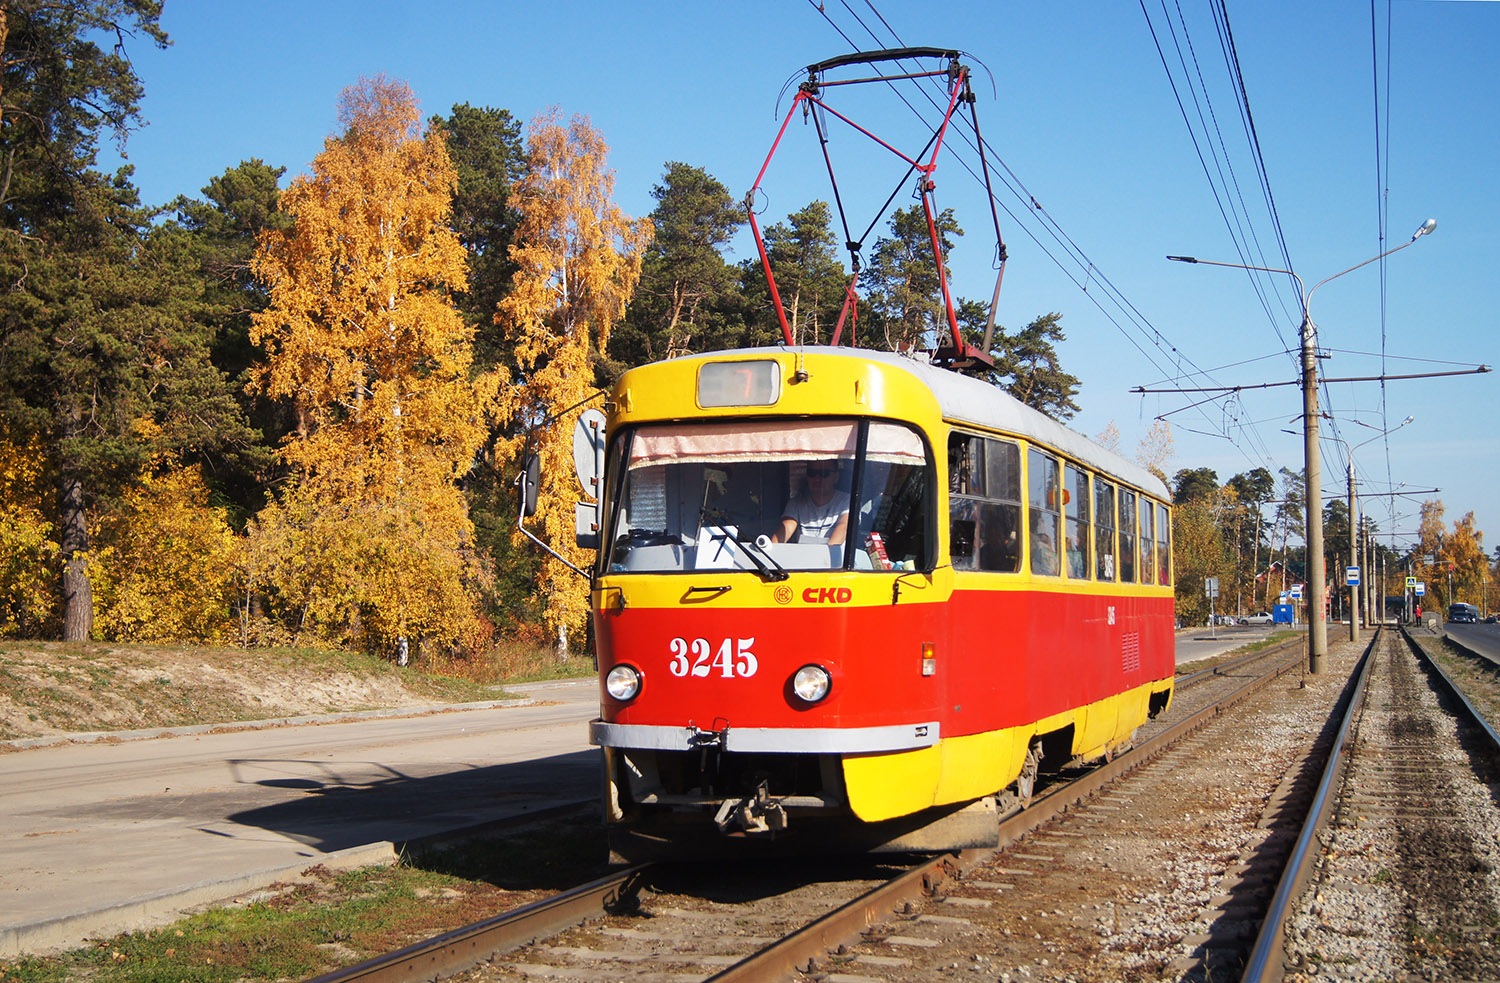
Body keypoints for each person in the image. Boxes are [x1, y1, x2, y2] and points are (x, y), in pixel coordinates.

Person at [774, 461, 850, 545]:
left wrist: (825, 555)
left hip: (835, 557)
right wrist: (770, 548)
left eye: (824, 473)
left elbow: (844, 526)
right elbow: (786, 528)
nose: (817, 479)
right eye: (812, 473)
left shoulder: (847, 501)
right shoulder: (796, 503)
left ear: (836, 477)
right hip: (802, 557)